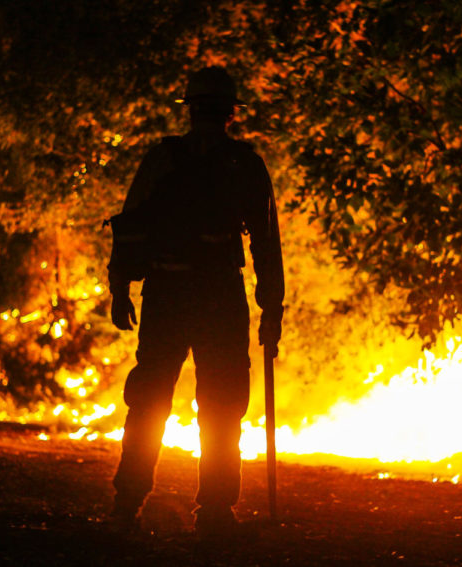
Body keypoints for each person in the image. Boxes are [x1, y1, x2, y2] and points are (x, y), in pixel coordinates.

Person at [107, 67, 285, 536]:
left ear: (191, 109)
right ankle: (216, 510)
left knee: (150, 401)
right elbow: (266, 243)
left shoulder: (164, 159)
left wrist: (120, 287)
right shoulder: (244, 164)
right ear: (230, 113)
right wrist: (272, 306)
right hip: (218, 296)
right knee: (222, 404)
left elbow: (131, 225)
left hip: (169, 292)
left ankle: (128, 503)